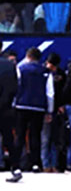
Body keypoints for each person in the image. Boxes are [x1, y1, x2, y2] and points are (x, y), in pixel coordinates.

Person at [7, 47, 54, 182]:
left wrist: (13, 104)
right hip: (38, 107)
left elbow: (16, 86)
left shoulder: (20, 69)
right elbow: (50, 93)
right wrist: (49, 110)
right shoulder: (46, 72)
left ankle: (16, 164)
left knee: (20, 136)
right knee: (35, 135)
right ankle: (35, 164)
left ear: (28, 56)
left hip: (22, 105)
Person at [41, 53, 66, 173]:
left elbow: (62, 91)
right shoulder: (43, 73)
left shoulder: (61, 74)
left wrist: (61, 105)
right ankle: (45, 164)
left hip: (57, 110)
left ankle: (55, 164)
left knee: (56, 139)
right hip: (45, 109)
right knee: (45, 138)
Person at [0, 40, 18, 176]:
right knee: (8, 138)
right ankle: (15, 168)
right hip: (5, 108)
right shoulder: (9, 65)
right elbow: (14, 87)